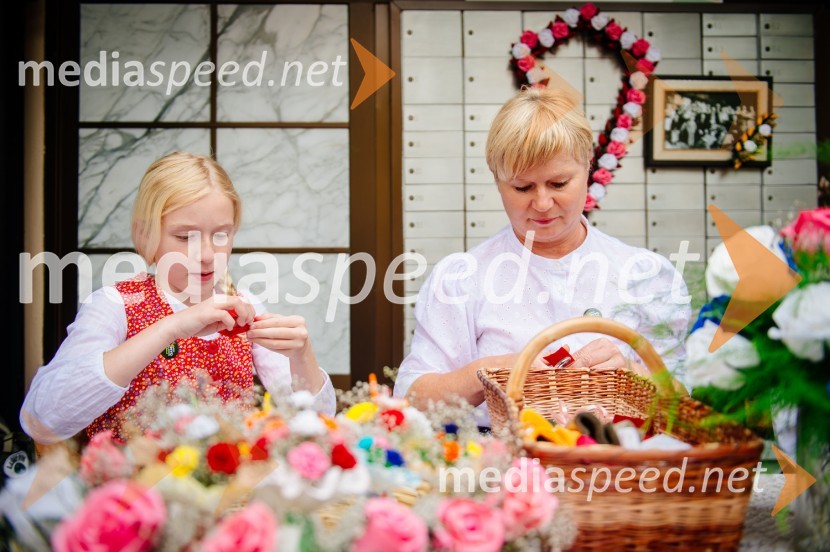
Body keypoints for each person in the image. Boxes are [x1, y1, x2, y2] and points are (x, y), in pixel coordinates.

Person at [394, 88, 691, 426]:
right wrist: (489, 372)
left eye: (559, 183)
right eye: (522, 188)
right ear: (496, 179)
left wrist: (634, 374)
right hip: (499, 466)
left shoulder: (646, 275)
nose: (543, 203)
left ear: (588, 166)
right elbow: (411, 398)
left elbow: (682, 402)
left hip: (619, 467)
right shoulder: (462, 277)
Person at [21, 152, 336, 443]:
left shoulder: (244, 305)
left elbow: (318, 428)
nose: (208, 254)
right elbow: (42, 421)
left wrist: (301, 355)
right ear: (146, 234)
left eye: (222, 235)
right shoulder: (115, 305)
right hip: (131, 499)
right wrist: (170, 327)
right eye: (186, 237)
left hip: (226, 495)